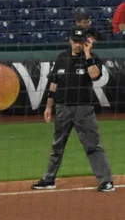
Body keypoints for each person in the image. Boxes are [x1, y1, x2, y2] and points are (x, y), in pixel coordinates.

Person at [32, 27, 114, 193]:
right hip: (62, 108)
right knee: (57, 146)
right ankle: (49, 179)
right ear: (70, 40)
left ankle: (106, 181)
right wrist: (48, 106)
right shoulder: (62, 58)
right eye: (75, 41)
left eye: (80, 42)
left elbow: (94, 75)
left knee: (92, 145)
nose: (77, 45)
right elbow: (53, 83)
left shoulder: (91, 58)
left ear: (85, 41)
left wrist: (88, 54)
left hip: (83, 109)